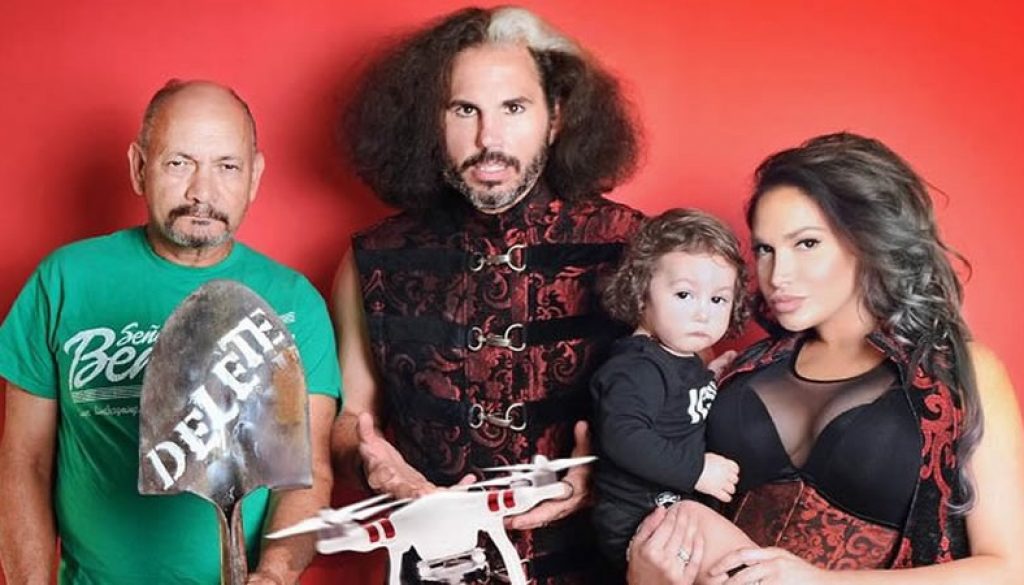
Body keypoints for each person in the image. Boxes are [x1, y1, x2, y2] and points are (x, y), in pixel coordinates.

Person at [329, 6, 645, 582]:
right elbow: (352, 419)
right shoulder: (369, 261)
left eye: (513, 108)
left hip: (594, 567)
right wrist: (372, 463)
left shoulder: (634, 248)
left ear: (556, 117)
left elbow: (683, 409)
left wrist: (607, 477)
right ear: (430, 121)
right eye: (464, 109)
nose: (488, 139)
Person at [627, 132, 1024, 584]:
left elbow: (1010, 569)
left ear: (866, 239)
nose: (778, 275)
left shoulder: (957, 372)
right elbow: (653, 482)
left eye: (807, 243)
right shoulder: (741, 371)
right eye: (765, 249)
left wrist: (823, 581)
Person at [0, 80, 341, 585]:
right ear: (139, 167)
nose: (203, 192)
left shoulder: (292, 303)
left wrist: (274, 574)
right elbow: (23, 461)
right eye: (179, 163)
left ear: (254, 176)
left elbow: (305, 474)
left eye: (227, 167)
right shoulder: (64, 282)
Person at [590, 209, 747, 572]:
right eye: (684, 294)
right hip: (639, 520)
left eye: (718, 300)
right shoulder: (635, 368)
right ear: (640, 293)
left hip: (670, 509)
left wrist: (709, 377)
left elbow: (675, 404)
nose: (703, 313)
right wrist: (697, 471)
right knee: (741, 568)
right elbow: (623, 437)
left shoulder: (679, 358)